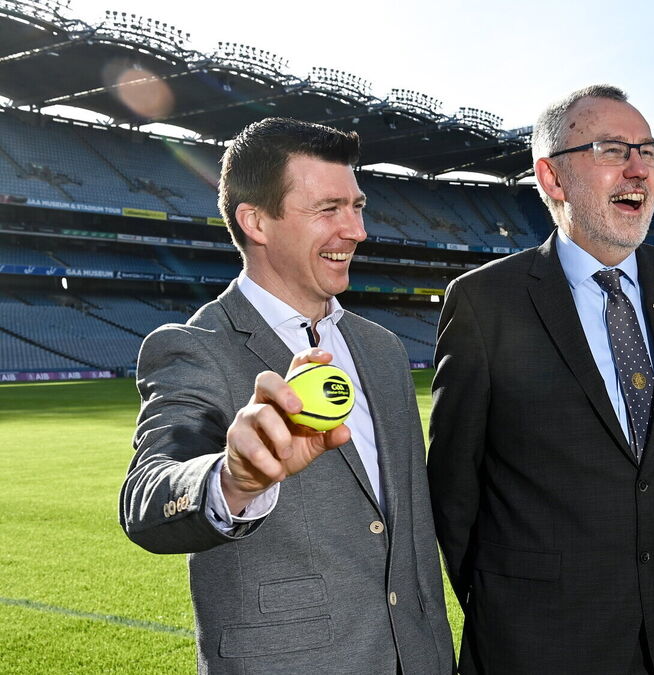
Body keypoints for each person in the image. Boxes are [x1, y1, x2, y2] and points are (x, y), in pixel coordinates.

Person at [119, 117, 454, 674]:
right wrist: (234, 480)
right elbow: (146, 500)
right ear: (256, 222)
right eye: (328, 209)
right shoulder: (196, 347)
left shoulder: (383, 349)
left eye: (357, 206)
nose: (356, 230)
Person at [427, 85, 654, 674]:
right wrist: (509, 600)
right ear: (553, 178)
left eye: (648, 151)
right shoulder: (486, 302)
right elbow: (453, 488)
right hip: (536, 642)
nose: (640, 169)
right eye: (613, 150)